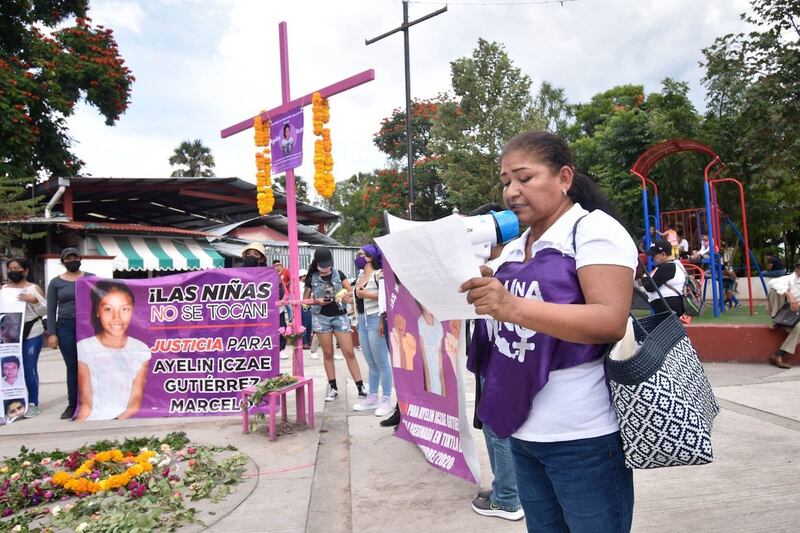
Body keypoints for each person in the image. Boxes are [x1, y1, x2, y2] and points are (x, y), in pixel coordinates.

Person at [460, 131, 636, 532]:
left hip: (583, 436)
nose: (512, 192)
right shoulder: (515, 246)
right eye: (506, 182)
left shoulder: (594, 232)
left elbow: (609, 319)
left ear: (564, 178)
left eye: (525, 178)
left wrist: (513, 305)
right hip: (522, 432)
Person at [75, 280, 150, 421]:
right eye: (108, 309)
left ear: (133, 310)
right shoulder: (85, 348)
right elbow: (86, 401)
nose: (117, 318)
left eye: (125, 309)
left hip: (126, 420)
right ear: (97, 311)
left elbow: (136, 398)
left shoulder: (141, 350)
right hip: (93, 418)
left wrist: (117, 422)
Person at [303, 248, 366, 401]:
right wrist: (315, 301)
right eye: (322, 265)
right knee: (328, 353)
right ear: (317, 263)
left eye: (328, 265)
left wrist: (346, 297)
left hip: (340, 317)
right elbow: (305, 301)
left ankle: (360, 387)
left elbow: (353, 295)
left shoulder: (339, 274)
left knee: (349, 352)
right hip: (321, 317)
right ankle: (333, 388)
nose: (326, 268)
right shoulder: (311, 278)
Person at [46, 247, 93, 420]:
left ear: (80, 259)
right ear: (63, 261)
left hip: (88, 326)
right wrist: (52, 333)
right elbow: (51, 309)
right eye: (68, 258)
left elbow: (103, 297)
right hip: (65, 326)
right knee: (72, 366)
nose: (72, 260)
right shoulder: (55, 283)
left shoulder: (90, 278)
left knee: (91, 365)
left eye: (75, 257)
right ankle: (73, 404)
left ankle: (93, 402)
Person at [351, 244, 394, 416]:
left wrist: (367, 295)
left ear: (369, 257)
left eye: (360, 254)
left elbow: (388, 295)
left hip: (377, 319)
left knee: (382, 362)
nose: (357, 257)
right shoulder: (361, 275)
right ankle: (372, 396)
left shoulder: (379, 275)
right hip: (362, 320)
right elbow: (358, 297)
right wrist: (351, 298)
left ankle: (386, 399)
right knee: (371, 363)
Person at [2, 258, 47, 417]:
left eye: (17, 268)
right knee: (8, 369)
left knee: (29, 368)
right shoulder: (4, 290)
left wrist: (33, 301)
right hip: (10, 335)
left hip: (32, 332)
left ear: (26, 271)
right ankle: (11, 402)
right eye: (11, 268)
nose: (14, 271)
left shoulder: (33, 289)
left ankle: (33, 402)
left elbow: (44, 311)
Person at [766, 261, 800, 369]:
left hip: (795, 315)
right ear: (797, 268)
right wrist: (790, 296)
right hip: (783, 309)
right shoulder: (789, 279)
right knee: (775, 291)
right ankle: (776, 320)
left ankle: (778, 355)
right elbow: (773, 283)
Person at [641, 239, 687, 316]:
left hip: (668, 307)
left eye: (654, 255)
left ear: (663, 254)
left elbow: (650, 287)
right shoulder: (676, 263)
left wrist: (645, 277)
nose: (652, 258)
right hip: (671, 305)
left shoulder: (667, 267)